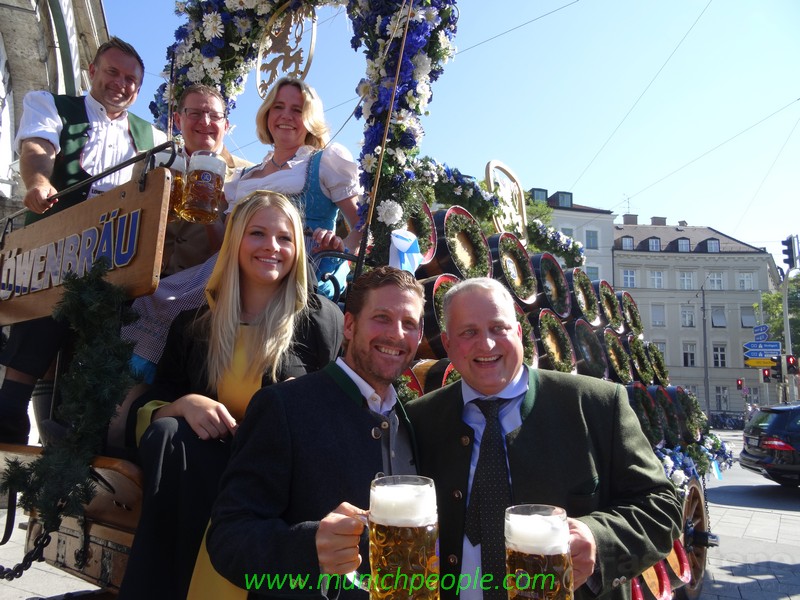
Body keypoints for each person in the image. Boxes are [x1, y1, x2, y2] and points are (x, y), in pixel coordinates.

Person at [118, 191, 344, 600]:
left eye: (284, 238)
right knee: (168, 432)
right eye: (257, 233)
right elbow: (149, 403)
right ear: (236, 240)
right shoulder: (192, 325)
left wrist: (303, 403)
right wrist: (185, 404)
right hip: (199, 471)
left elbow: (338, 411)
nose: (271, 247)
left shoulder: (321, 320)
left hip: (272, 483)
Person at [405, 278, 683, 600]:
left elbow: (663, 506)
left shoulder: (596, 405)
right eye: (469, 333)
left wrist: (597, 537)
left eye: (499, 328)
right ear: (448, 345)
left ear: (520, 333)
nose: (488, 345)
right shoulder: (421, 419)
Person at [119, 76, 360, 383]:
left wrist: (339, 248)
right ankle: (144, 390)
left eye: (297, 110)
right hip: (232, 265)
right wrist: (205, 213)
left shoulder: (324, 162)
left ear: (310, 119)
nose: (286, 115)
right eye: (278, 107)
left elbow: (362, 226)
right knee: (152, 299)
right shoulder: (245, 176)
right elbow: (224, 244)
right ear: (267, 115)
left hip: (293, 268)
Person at [204, 266, 424, 598]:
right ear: (349, 325)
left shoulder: (413, 421)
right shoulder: (283, 406)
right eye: (381, 317)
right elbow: (228, 540)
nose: (396, 334)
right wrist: (310, 548)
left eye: (409, 324)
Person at [0, 36, 166, 445]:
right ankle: (8, 428)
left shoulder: (153, 137)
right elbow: (39, 145)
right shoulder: (54, 105)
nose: (121, 84)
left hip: (117, 258)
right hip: (58, 247)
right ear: (91, 72)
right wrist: (38, 182)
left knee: (91, 360)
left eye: (131, 79)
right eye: (112, 72)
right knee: (35, 336)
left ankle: (66, 452)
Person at [160, 83, 252, 277]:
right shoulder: (154, 164)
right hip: (149, 288)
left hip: (210, 292)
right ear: (178, 120)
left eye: (215, 116)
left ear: (225, 126)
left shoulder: (248, 174)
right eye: (195, 113)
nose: (205, 122)